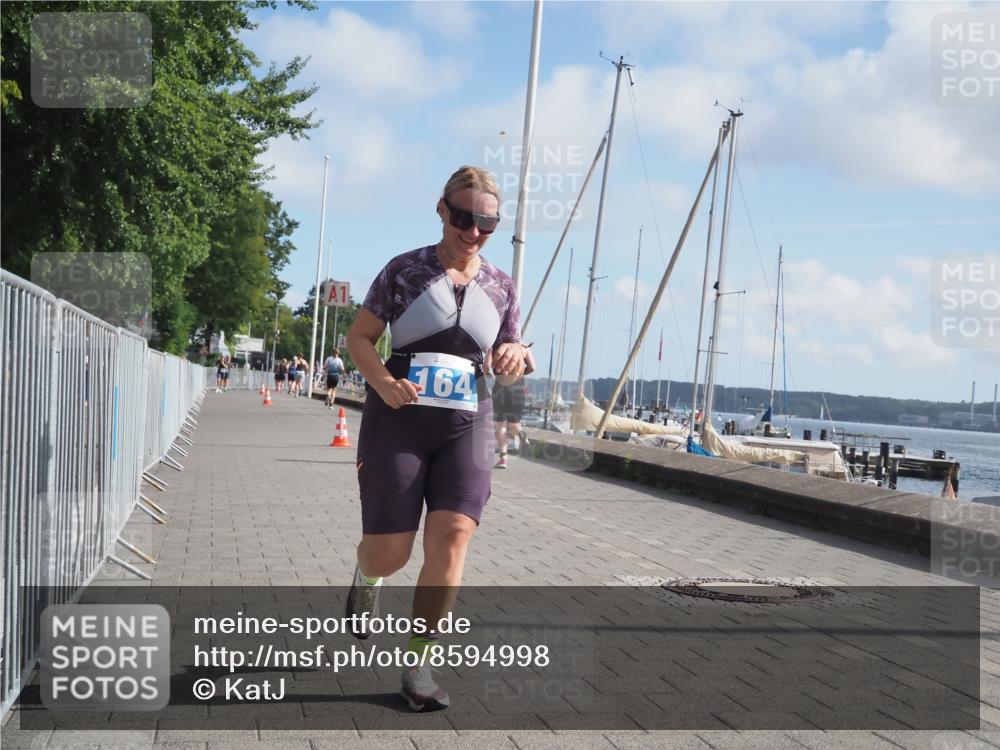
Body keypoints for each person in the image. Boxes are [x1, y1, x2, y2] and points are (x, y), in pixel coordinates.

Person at [345, 166, 531, 713]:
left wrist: (516, 357)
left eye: (488, 224)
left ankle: (419, 664)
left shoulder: (501, 285)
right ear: (441, 209)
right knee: (392, 552)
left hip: (467, 422)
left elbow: (511, 358)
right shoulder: (404, 270)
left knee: (451, 539)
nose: (474, 232)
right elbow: (359, 337)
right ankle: (366, 575)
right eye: (464, 218)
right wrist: (381, 381)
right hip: (398, 418)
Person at [490, 353, 534, 469]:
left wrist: (489, 375)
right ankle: (522, 437)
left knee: (501, 427)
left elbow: (486, 367)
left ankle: (503, 459)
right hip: (518, 390)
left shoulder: (497, 346)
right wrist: (521, 373)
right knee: (514, 424)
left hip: (500, 389)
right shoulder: (523, 348)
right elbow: (532, 367)